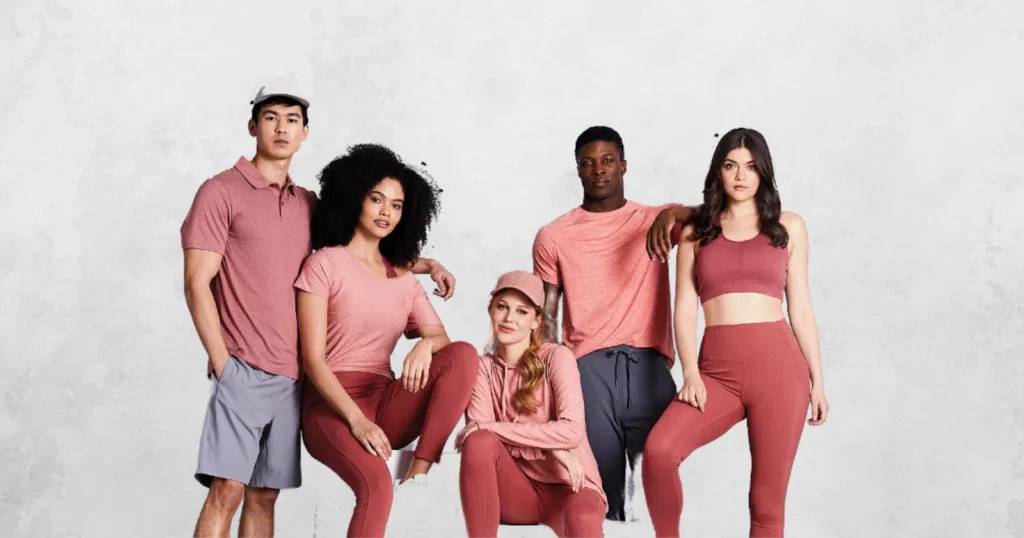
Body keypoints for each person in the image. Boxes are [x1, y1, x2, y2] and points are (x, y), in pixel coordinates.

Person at [181, 88, 455, 538]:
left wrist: (425, 264)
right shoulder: (220, 192)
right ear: (253, 126)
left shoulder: (306, 203)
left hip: (296, 377)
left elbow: (357, 254)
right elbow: (196, 282)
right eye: (271, 117)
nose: (282, 127)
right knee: (227, 489)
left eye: (292, 119)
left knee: (264, 496)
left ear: (305, 133)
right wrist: (222, 362)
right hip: (243, 368)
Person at [641, 128, 830, 537]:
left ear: (763, 172)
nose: (741, 176)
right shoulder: (696, 232)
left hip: (780, 374)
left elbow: (800, 308)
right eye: (730, 166)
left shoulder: (788, 227)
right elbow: (685, 309)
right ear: (718, 172)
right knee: (659, 452)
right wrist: (690, 372)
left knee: (766, 506)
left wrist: (818, 381)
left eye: (750, 166)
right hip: (716, 375)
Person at [294, 143, 477, 538]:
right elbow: (312, 360)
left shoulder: (404, 279)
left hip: (386, 400)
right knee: (376, 486)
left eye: (396, 205)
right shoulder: (324, 263)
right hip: (331, 405)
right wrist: (357, 421)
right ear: (354, 199)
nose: (386, 212)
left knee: (463, 353)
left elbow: (444, 344)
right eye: (377, 200)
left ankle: (422, 466)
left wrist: (425, 345)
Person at [531, 126, 694, 521]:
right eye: (588, 163)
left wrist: (673, 214)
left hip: (649, 370)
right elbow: (546, 314)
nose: (598, 170)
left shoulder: (654, 219)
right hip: (588, 371)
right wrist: (551, 383)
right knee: (600, 497)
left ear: (623, 165)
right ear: (578, 171)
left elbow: (722, 214)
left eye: (607, 161)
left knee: (654, 494)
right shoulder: (553, 235)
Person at [456, 271, 607, 538]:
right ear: (491, 311)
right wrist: (553, 448)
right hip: (518, 493)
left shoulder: (557, 358)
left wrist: (494, 428)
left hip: (571, 487)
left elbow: (571, 431)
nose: (509, 318)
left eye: (521, 311)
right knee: (479, 441)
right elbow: (479, 437)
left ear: (537, 320)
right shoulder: (483, 368)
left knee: (583, 520)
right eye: (502, 307)